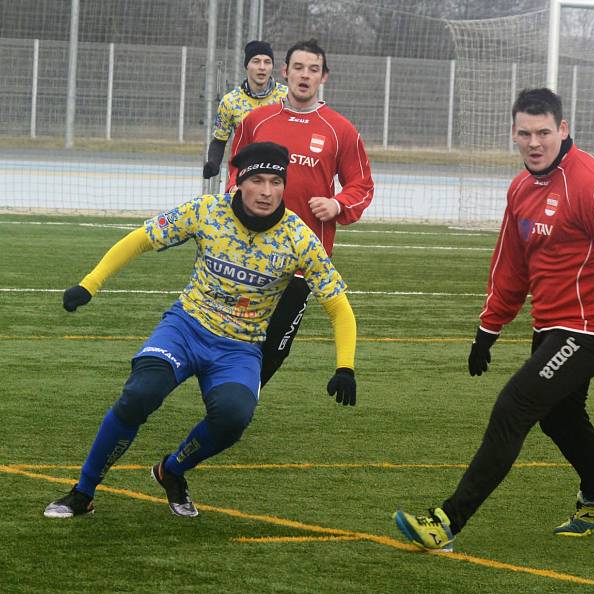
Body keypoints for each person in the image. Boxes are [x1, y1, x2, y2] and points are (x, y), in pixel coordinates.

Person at [393, 88, 594, 549]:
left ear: (563, 130)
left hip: (593, 329)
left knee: (514, 407)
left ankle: (445, 522)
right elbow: (510, 266)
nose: (534, 142)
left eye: (544, 133)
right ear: (513, 134)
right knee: (559, 417)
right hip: (551, 326)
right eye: (524, 133)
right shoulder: (520, 188)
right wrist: (488, 328)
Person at [44, 142, 358, 519]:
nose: (266, 191)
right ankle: (84, 492)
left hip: (240, 349)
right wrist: (90, 283)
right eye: (256, 180)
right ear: (239, 182)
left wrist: (345, 367)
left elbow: (338, 306)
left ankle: (171, 470)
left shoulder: (299, 237)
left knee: (233, 417)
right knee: (140, 393)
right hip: (187, 328)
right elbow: (141, 238)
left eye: (275, 182)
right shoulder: (206, 211)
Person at [229, 38, 374, 387]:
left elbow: (362, 185)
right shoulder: (258, 121)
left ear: (323, 76)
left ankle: (242, 400)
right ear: (285, 72)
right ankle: (228, 398)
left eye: (313, 69)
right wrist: (234, 191)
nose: (304, 76)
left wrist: (337, 204)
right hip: (252, 252)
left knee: (276, 345)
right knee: (234, 333)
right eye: (298, 68)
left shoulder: (340, 130)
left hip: (302, 260)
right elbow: (236, 171)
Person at [202, 40, 288, 180]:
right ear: (246, 65)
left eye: (267, 62)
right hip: (243, 176)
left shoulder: (287, 97)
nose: (262, 67)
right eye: (256, 61)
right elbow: (219, 140)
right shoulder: (230, 101)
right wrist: (213, 163)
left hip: (278, 175)